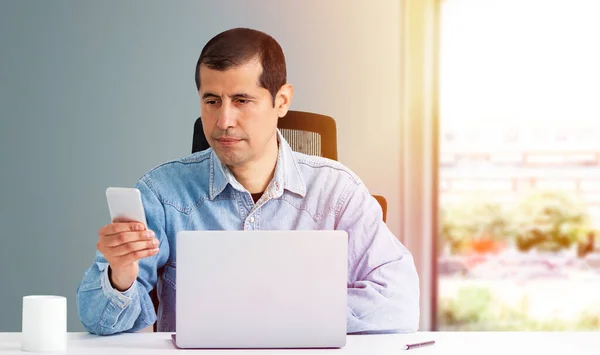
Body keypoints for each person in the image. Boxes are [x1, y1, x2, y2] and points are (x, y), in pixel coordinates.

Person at [76, 27, 420, 335]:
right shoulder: (161, 193)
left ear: (281, 101)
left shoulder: (338, 193)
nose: (224, 120)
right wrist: (120, 276)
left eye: (242, 101)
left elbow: (398, 302)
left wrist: (279, 316)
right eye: (212, 101)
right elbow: (96, 321)